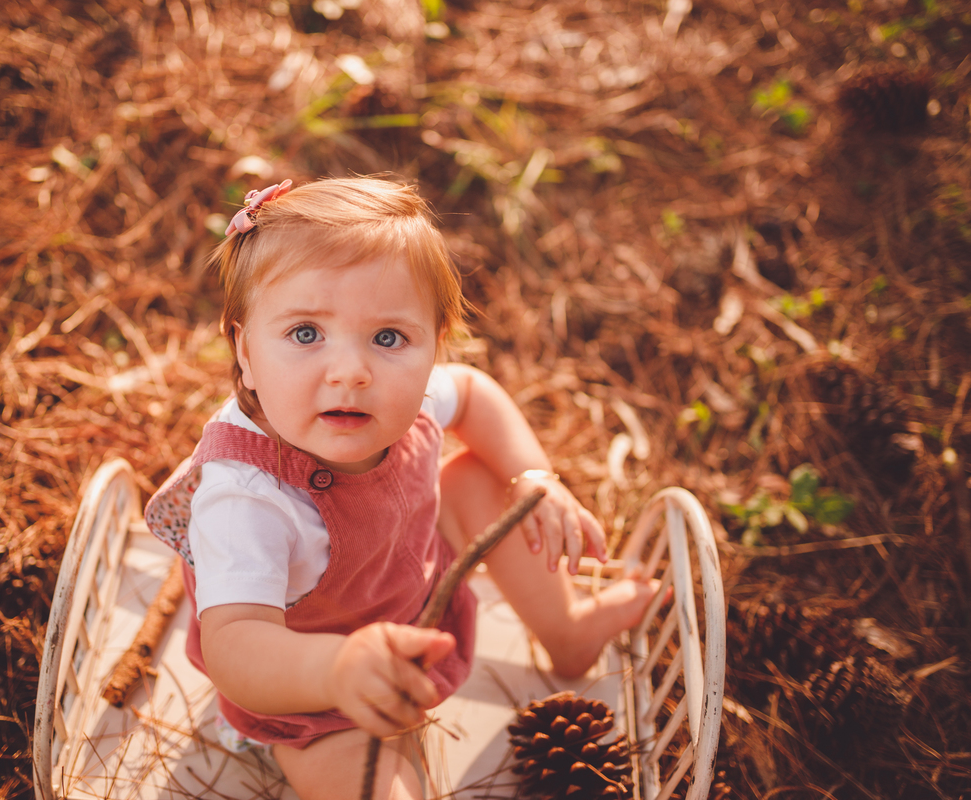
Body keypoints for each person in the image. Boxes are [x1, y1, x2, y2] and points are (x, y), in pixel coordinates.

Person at [145, 177, 657, 800]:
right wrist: (336, 672)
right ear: (244, 349)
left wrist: (537, 479)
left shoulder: (411, 401)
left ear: (433, 344)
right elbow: (235, 646)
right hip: (312, 696)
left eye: (389, 338)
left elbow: (474, 394)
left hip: (414, 592)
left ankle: (566, 630)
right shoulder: (247, 496)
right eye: (306, 333)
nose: (352, 372)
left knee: (479, 480)